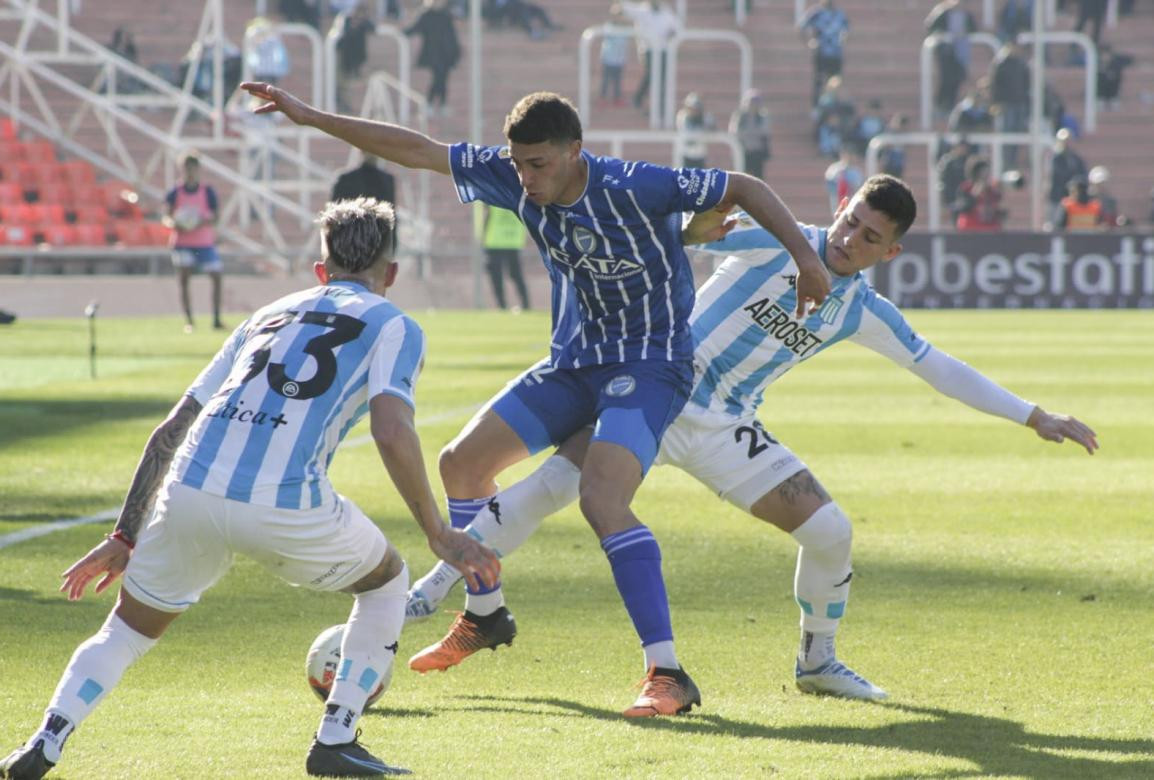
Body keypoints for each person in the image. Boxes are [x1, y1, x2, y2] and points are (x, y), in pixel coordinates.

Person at [237, 80, 831, 718]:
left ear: (575, 150)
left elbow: (743, 185)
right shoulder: (510, 176)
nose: (524, 178)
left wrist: (805, 257)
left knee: (601, 500)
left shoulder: (637, 183)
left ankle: (668, 673)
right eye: (517, 162)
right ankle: (486, 616)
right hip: (573, 363)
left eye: (538, 164)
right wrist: (308, 116)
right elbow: (416, 150)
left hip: (650, 363)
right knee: (461, 463)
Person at [401, 175, 1098, 702]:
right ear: (844, 204)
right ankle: (428, 598)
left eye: (866, 236)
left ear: (890, 251)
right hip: (652, 391)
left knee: (830, 532)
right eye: (850, 219)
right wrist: (692, 227)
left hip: (726, 424)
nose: (847, 238)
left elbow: (938, 368)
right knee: (549, 491)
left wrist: (1034, 415)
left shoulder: (863, 309)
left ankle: (817, 662)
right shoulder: (776, 235)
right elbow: (674, 237)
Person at [0, 198, 501, 780]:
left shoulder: (266, 314)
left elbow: (171, 429)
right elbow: (391, 427)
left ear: (320, 269)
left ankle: (45, 742)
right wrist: (438, 532)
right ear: (391, 274)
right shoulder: (396, 325)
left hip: (188, 491)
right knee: (386, 582)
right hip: (285, 502)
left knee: (125, 632)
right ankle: (335, 740)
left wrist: (124, 535)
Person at [164, 152, 223, 333]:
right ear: (182, 170)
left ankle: (216, 319)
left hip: (204, 243)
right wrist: (174, 223)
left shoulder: (207, 191)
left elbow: (216, 217)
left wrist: (200, 222)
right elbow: (166, 216)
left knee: (216, 276)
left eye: (193, 168)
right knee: (184, 279)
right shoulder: (175, 192)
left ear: (198, 169)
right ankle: (189, 321)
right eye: (186, 168)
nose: (190, 172)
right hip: (182, 243)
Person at [619, 0, 678, 117]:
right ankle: (639, 98)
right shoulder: (642, 11)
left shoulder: (666, 12)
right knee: (653, 75)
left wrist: (671, 34)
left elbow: (676, 28)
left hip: (664, 50)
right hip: (648, 50)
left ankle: (657, 107)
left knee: (661, 80)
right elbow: (624, 8)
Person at [404, 0, 461, 115]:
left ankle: (442, 104)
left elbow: (452, 35)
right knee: (438, 78)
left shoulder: (446, 15)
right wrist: (401, 32)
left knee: (443, 79)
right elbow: (415, 28)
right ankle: (430, 103)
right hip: (433, 54)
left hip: (446, 54)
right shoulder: (426, 15)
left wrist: (456, 51)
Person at [925, 0, 978, 121]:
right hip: (947, 53)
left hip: (960, 53)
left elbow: (974, 29)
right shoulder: (942, 12)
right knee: (946, 80)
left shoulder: (966, 14)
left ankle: (950, 107)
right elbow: (931, 27)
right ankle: (940, 106)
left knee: (958, 79)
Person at [800, 0, 849, 107]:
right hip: (822, 53)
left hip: (836, 53)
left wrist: (843, 40)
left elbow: (847, 30)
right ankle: (817, 108)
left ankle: (834, 105)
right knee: (819, 81)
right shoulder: (816, 13)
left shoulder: (839, 14)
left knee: (835, 82)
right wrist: (809, 42)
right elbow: (802, 26)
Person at [989, 40, 1029, 168]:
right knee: (1006, 133)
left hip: (1019, 103)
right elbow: (995, 85)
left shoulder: (1021, 64)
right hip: (1005, 105)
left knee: (1016, 133)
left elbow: (1027, 83)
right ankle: (1005, 163)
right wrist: (995, 103)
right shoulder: (1001, 64)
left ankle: (1012, 161)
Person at [482, 205, 530, 310]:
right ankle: (526, 305)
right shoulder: (518, 197)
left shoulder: (492, 196)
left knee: (497, 277)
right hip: (513, 240)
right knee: (516, 275)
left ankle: (502, 305)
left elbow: (486, 216)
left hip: (495, 241)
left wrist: (483, 237)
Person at [1047, 128, 1087, 225]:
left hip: (1073, 199)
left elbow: (1082, 174)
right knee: (1055, 222)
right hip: (1058, 197)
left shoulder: (1076, 159)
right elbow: (1058, 176)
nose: (1066, 143)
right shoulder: (1056, 159)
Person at [954, 157, 1006, 232]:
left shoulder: (991, 189)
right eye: (982, 172)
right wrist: (975, 194)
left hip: (990, 228)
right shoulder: (966, 188)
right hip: (970, 227)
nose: (985, 175)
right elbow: (963, 207)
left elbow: (998, 207)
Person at [729, 89, 771, 179]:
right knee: (742, 177)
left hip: (757, 152)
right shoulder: (739, 117)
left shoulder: (762, 117)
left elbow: (765, 132)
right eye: (751, 103)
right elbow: (734, 132)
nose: (753, 106)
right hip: (744, 151)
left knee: (758, 178)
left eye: (755, 103)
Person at [598, 5, 630, 106]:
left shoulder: (625, 29)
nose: (618, 17)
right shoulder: (609, 27)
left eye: (620, 15)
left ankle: (617, 98)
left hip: (619, 59)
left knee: (617, 81)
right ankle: (602, 98)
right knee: (606, 80)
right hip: (608, 58)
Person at [676, 92, 715, 169]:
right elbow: (686, 132)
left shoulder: (706, 117)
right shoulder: (683, 117)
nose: (694, 111)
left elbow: (712, 128)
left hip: (700, 155)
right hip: (686, 154)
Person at [824, 145, 863, 214]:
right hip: (837, 196)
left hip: (850, 196)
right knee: (837, 212)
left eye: (850, 155)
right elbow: (829, 181)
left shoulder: (855, 171)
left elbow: (858, 185)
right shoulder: (834, 168)